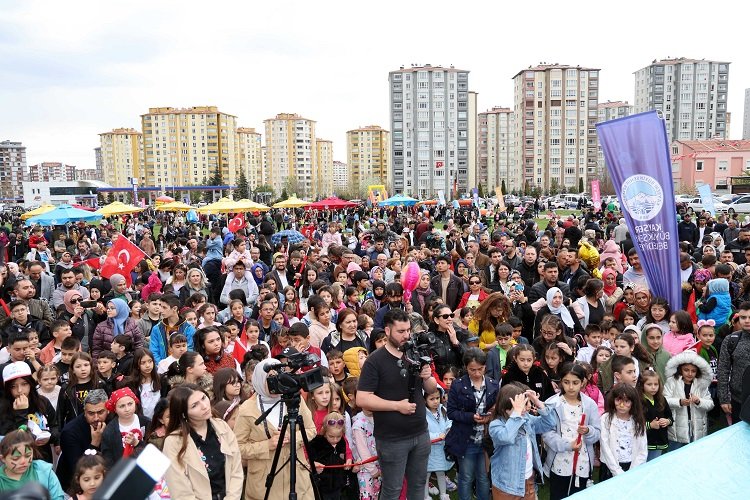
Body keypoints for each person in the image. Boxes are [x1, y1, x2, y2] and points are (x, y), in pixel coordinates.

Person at [357, 308, 436, 500]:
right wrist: (396, 406)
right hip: (392, 439)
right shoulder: (375, 361)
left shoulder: (415, 354)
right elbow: (362, 398)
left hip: (420, 432)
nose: (406, 335)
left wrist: (427, 377)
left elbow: (431, 389)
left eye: (408, 330)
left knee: (418, 485)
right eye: (401, 331)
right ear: (387, 330)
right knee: (392, 490)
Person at [233, 358, 317, 500]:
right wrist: (267, 445)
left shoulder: (294, 400)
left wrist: (292, 438)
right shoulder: (246, 409)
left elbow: (311, 430)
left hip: (297, 480)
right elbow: (237, 447)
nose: (276, 384)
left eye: (278, 378)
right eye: (270, 379)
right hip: (264, 486)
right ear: (259, 380)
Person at [163, 384, 243, 500]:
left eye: (204, 398)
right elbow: (180, 490)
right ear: (184, 413)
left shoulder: (222, 427)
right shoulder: (174, 442)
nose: (204, 406)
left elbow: (236, 470)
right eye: (194, 405)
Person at [542, 363, 602, 499]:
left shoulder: (590, 404)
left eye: (575, 383)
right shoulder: (552, 403)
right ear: (560, 381)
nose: (570, 387)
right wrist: (567, 445)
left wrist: (588, 431)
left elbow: (597, 432)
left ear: (582, 382)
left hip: (583, 463)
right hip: (559, 462)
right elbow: (547, 433)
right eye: (566, 382)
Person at [445, 348, 498, 500]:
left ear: (485, 367)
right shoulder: (458, 385)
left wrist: (489, 416)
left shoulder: (493, 384)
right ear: (466, 368)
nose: (476, 373)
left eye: (480, 369)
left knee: (483, 476)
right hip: (466, 439)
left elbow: (497, 409)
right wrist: (470, 417)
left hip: (485, 439)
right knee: (466, 477)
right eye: (472, 370)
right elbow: (451, 412)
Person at [488, 383, 555, 500]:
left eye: (524, 404)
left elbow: (549, 424)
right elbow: (506, 437)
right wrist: (516, 415)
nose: (524, 409)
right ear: (505, 407)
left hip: (528, 480)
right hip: (506, 485)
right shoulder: (496, 425)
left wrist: (538, 403)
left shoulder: (526, 419)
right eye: (519, 406)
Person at [56, 389, 109, 483]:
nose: (96, 418)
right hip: (73, 485)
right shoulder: (70, 432)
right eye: (91, 413)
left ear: (108, 410)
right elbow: (77, 469)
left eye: (100, 412)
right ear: (84, 411)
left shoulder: (113, 422)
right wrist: (94, 444)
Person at [664, 350, 713, 450]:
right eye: (686, 370)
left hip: (697, 427)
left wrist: (699, 401)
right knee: (675, 455)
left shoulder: (701, 384)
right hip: (677, 428)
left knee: (695, 454)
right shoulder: (672, 382)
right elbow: (664, 400)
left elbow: (710, 404)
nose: (690, 373)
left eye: (693, 371)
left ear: (697, 371)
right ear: (680, 369)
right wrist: (679, 402)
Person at [0, 428, 65, 500]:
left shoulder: (45, 472)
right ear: (3, 459)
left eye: (28, 455)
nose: (23, 461)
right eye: (16, 458)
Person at [599, 384, 647, 480]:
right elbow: (605, 445)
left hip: (631, 467)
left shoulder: (637, 421)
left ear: (633, 403)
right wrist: (617, 471)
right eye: (618, 400)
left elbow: (642, 449)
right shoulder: (606, 418)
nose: (621, 405)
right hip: (610, 467)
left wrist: (631, 472)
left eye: (626, 401)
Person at [638, 370, 672, 461]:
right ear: (642, 385)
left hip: (660, 440)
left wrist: (667, 421)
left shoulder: (661, 399)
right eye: (649, 384)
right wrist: (650, 425)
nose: (653, 387)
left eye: (656, 384)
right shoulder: (638, 401)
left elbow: (670, 416)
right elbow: (634, 423)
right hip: (645, 442)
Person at [425, 387, 452, 500]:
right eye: (432, 399)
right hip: (429, 451)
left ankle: (443, 494)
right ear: (424, 400)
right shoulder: (422, 414)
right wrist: (437, 436)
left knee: (441, 472)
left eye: (437, 398)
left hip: (441, 450)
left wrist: (448, 429)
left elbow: (449, 421)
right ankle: (425, 496)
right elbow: (423, 432)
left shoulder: (443, 410)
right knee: (426, 475)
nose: (436, 401)